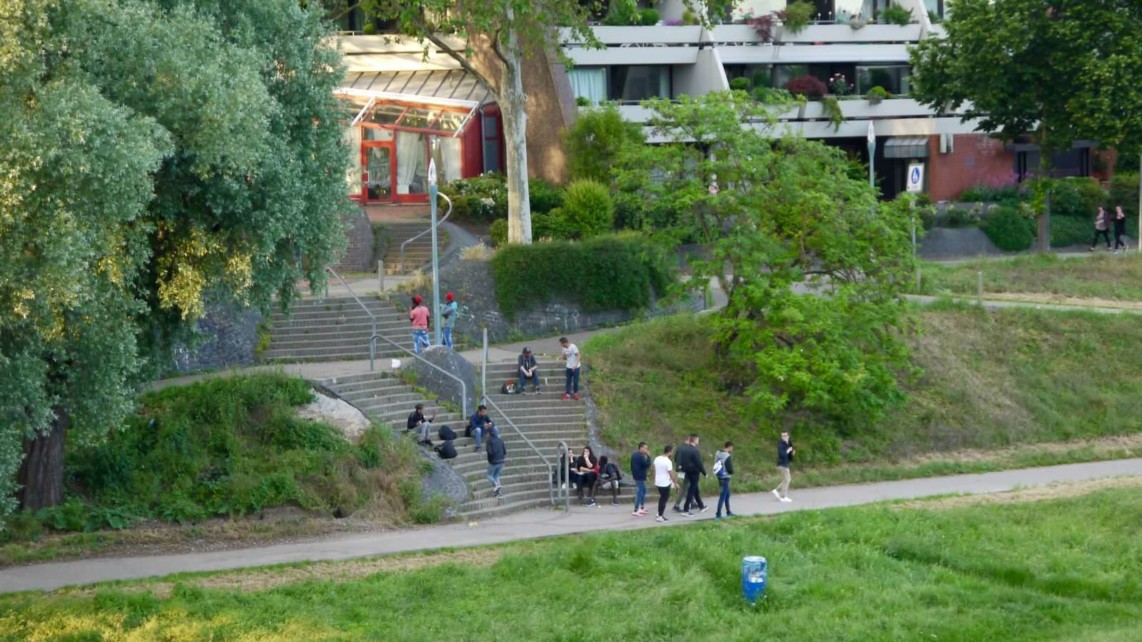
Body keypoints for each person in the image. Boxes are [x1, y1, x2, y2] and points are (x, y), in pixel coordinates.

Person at [676, 433, 707, 516]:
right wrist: (704, 472)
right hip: (694, 472)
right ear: (695, 440)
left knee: (694, 488)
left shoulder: (685, 449)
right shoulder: (694, 450)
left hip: (687, 471)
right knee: (691, 490)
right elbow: (699, 463)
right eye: (698, 440)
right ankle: (686, 509)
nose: (698, 441)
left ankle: (701, 505)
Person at [653, 444, 680, 523]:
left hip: (658, 481)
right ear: (669, 452)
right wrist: (676, 483)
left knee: (662, 498)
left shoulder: (657, 458)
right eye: (672, 452)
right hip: (664, 483)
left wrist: (655, 479)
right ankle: (660, 516)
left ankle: (659, 513)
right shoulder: (668, 461)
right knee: (664, 499)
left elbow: (654, 470)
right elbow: (671, 474)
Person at [714, 441, 735, 519]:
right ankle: (718, 514)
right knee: (723, 496)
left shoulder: (717, 453)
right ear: (730, 447)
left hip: (719, 476)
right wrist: (732, 471)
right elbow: (730, 469)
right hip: (726, 477)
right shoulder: (727, 456)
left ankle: (728, 511)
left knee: (727, 495)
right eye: (732, 448)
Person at [772, 431, 795, 503]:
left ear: (788, 436)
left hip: (785, 463)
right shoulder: (781, 444)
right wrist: (788, 451)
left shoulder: (788, 442)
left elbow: (790, 454)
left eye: (785, 436)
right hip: (782, 464)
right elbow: (782, 454)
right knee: (787, 479)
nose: (784, 437)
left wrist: (792, 453)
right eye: (782, 436)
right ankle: (783, 496)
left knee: (786, 479)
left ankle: (776, 490)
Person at [630, 442, 651, 517]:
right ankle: (636, 510)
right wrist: (649, 457)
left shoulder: (635, 455)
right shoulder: (640, 456)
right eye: (645, 448)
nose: (646, 450)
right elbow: (647, 465)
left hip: (638, 476)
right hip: (639, 477)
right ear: (641, 448)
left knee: (644, 491)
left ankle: (642, 507)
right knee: (640, 492)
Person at [485, 426, 506, 498]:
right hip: (501, 461)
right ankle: (498, 493)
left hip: (494, 462)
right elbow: (504, 451)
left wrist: (490, 460)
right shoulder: (500, 440)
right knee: (496, 476)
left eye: (487, 432)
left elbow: (489, 452)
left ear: (489, 433)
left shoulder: (489, 441)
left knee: (489, 476)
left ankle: (497, 485)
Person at [559, 336, 581, 401]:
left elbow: (578, 355)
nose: (561, 345)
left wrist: (575, 365)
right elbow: (563, 356)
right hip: (568, 367)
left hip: (576, 367)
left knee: (575, 381)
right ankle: (568, 394)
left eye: (561, 344)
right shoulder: (564, 349)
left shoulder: (573, 347)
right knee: (568, 381)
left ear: (565, 343)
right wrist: (560, 358)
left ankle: (576, 393)